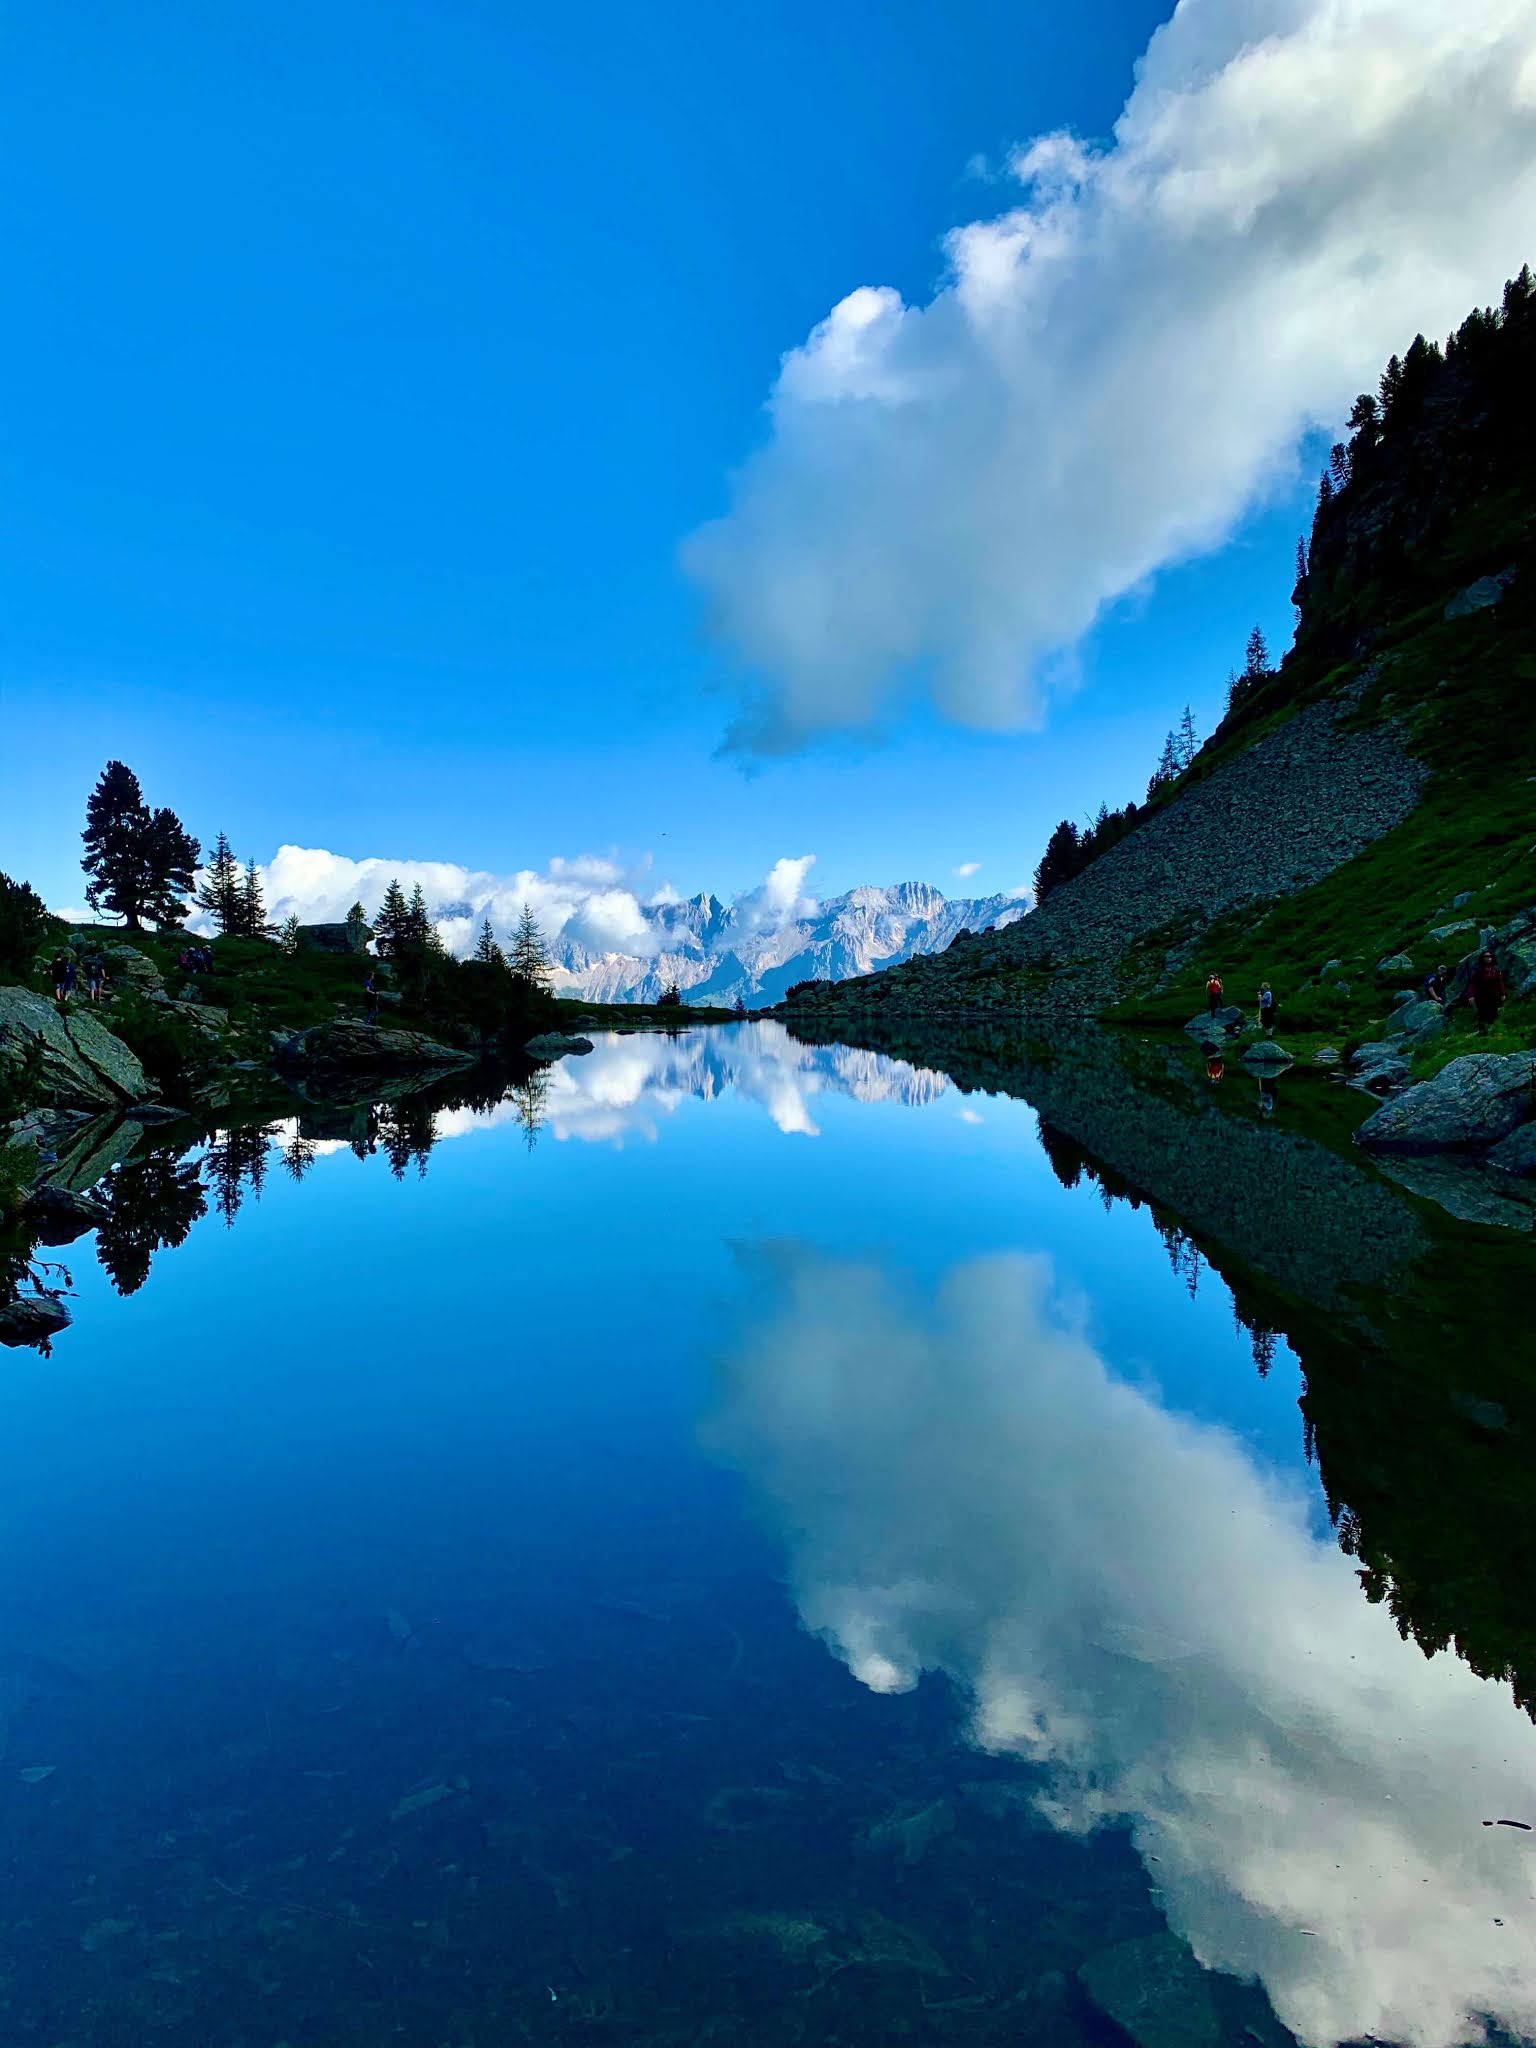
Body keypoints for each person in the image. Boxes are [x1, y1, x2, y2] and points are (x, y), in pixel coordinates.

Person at [1469, 949, 1508, 1035]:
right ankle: (1482, 1032)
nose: (1488, 958)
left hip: (1494, 995)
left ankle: (1493, 1031)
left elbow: (1500, 982)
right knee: (1482, 1014)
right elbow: (1472, 983)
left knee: (1494, 1013)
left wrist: (1503, 993)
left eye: (1490, 956)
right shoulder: (1478, 971)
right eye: (1486, 956)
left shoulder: (1496, 970)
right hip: (1482, 996)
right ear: (1482, 958)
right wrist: (1471, 996)